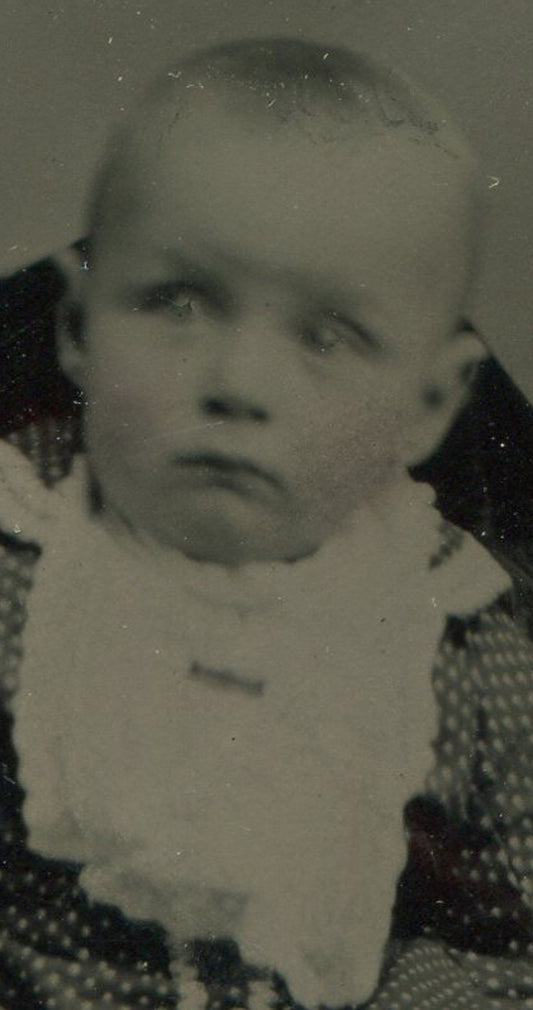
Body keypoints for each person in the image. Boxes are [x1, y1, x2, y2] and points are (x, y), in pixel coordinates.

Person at [0, 37, 531, 1010]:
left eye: (327, 335)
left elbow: (507, 937)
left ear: (428, 401)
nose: (238, 383)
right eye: (178, 301)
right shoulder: (23, 572)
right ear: (79, 329)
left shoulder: (447, 636)